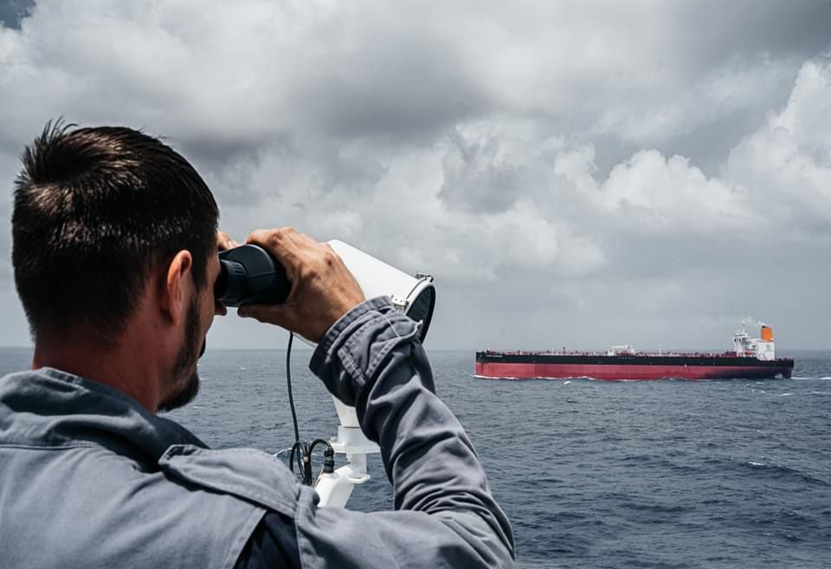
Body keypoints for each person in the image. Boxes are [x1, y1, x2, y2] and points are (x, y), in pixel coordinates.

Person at [0, 123, 516, 568]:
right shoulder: (229, 531)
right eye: (210, 285)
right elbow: (477, 551)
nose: (218, 309)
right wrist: (363, 335)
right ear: (176, 288)